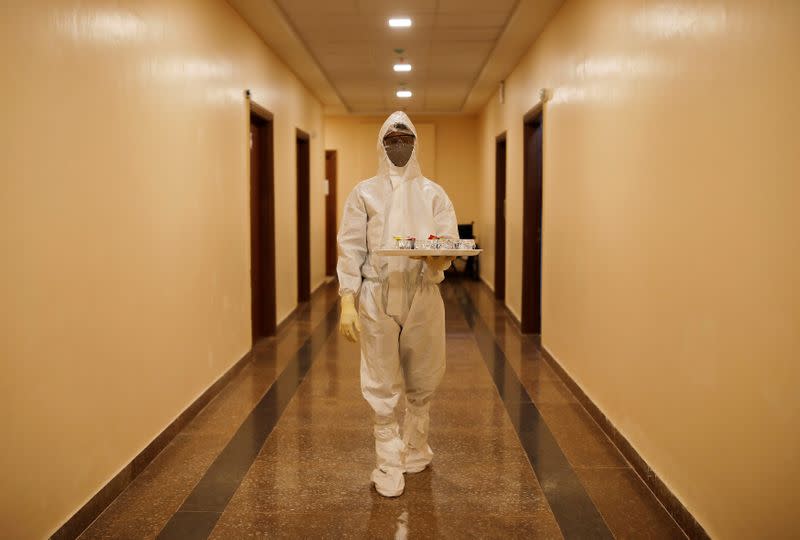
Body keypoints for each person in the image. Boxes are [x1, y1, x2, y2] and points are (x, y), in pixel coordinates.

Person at [337, 111, 458, 497]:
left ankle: (415, 447)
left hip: (422, 292)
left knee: (424, 373)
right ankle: (387, 463)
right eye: (391, 139)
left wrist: (438, 259)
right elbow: (351, 246)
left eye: (405, 139)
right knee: (380, 377)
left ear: (415, 143)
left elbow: (449, 245)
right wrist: (347, 301)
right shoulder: (364, 193)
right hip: (376, 293)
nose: (398, 146)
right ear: (381, 143)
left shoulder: (434, 194)